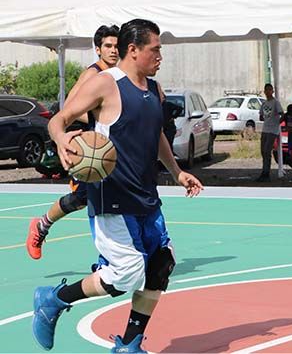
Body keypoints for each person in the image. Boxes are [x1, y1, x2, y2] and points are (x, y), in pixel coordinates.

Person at [32, 19, 203, 353]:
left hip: (146, 196)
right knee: (124, 275)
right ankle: (53, 299)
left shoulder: (153, 89)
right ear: (133, 49)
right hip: (112, 197)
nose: (160, 56)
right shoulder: (105, 84)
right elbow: (59, 118)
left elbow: (156, 136)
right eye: (155, 49)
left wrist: (177, 171)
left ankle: (129, 344)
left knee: (160, 265)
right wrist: (61, 137)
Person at [26, 24, 120, 260]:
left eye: (117, 46)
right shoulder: (93, 73)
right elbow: (69, 108)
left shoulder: (117, 74)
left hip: (108, 145)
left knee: (114, 197)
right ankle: (41, 226)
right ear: (98, 49)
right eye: (108, 46)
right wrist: (98, 115)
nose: (113, 51)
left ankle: (111, 257)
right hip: (87, 147)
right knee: (83, 198)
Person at [256, 83, 283, 182]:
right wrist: (263, 117)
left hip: (272, 130)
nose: (268, 92)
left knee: (267, 150)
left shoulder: (275, 102)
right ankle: (264, 171)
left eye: (269, 90)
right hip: (265, 129)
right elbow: (261, 115)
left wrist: (278, 123)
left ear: (272, 91)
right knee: (263, 151)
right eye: (266, 90)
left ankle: (266, 173)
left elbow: (282, 114)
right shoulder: (264, 103)